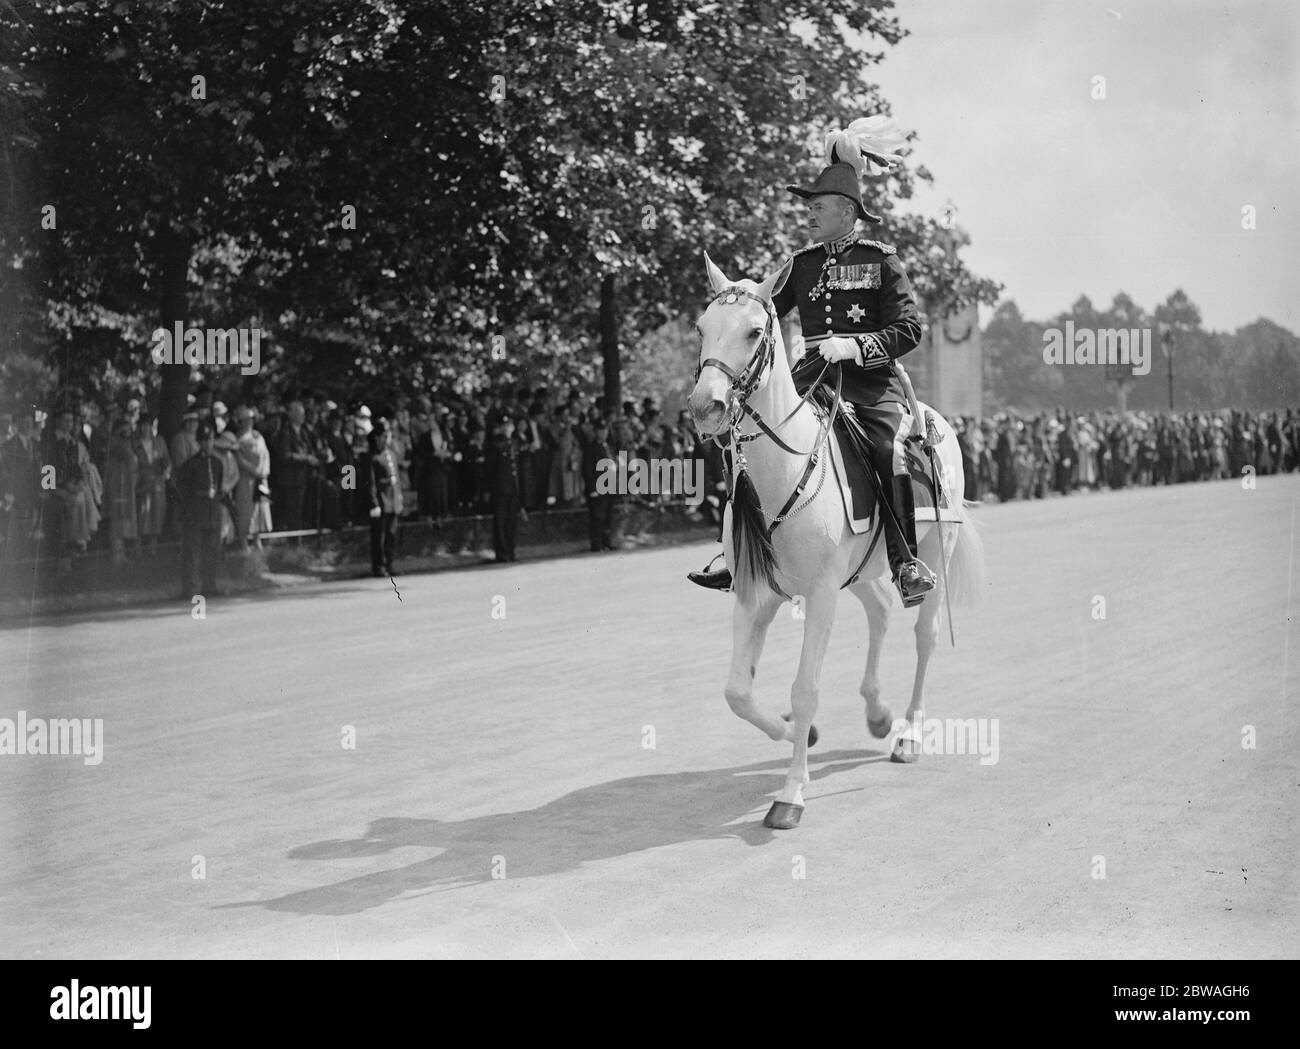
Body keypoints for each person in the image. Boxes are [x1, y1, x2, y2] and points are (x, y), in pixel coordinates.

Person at [688, 117, 935, 606]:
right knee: (749, 436)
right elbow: (761, 320)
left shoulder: (881, 260)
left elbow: (911, 329)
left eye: (818, 207)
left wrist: (855, 346)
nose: (810, 215)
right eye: (810, 207)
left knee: (888, 448)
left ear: (847, 211)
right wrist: (732, 308)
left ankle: (905, 561)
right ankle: (734, 551)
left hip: (869, 385)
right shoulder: (800, 264)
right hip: (809, 380)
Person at [176, 422, 224, 597]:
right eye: (203, 441)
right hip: (195, 515)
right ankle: (190, 588)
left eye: (209, 440)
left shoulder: (218, 463)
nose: (207, 444)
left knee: (211, 551)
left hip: (212, 514)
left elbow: (218, 488)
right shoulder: (190, 465)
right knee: (192, 553)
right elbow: (183, 491)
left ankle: (209, 585)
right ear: (199, 443)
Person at [364, 420, 402, 576]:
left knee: (391, 535)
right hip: (381, 501)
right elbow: (370, 482)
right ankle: (379, 566)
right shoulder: (372, 457)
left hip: (392, 501)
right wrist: (374, 503)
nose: (387, 439)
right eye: (384, 436)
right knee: (379, 537)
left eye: (388, 436)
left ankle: (390, 564)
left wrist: (399, 498)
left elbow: (397, 478)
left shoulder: (391, 454)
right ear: (377, 438)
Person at [484, 415, 522, 562]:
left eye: (509, 425)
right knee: (500, 521)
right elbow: (490, 469)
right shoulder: (495, 444)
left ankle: (510, 551)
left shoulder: (513, 443)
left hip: (512, 487)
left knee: (511, 521)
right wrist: (488, 489)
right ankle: (502, 553)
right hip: (500, 488)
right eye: (505, 426)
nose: (507, 428)